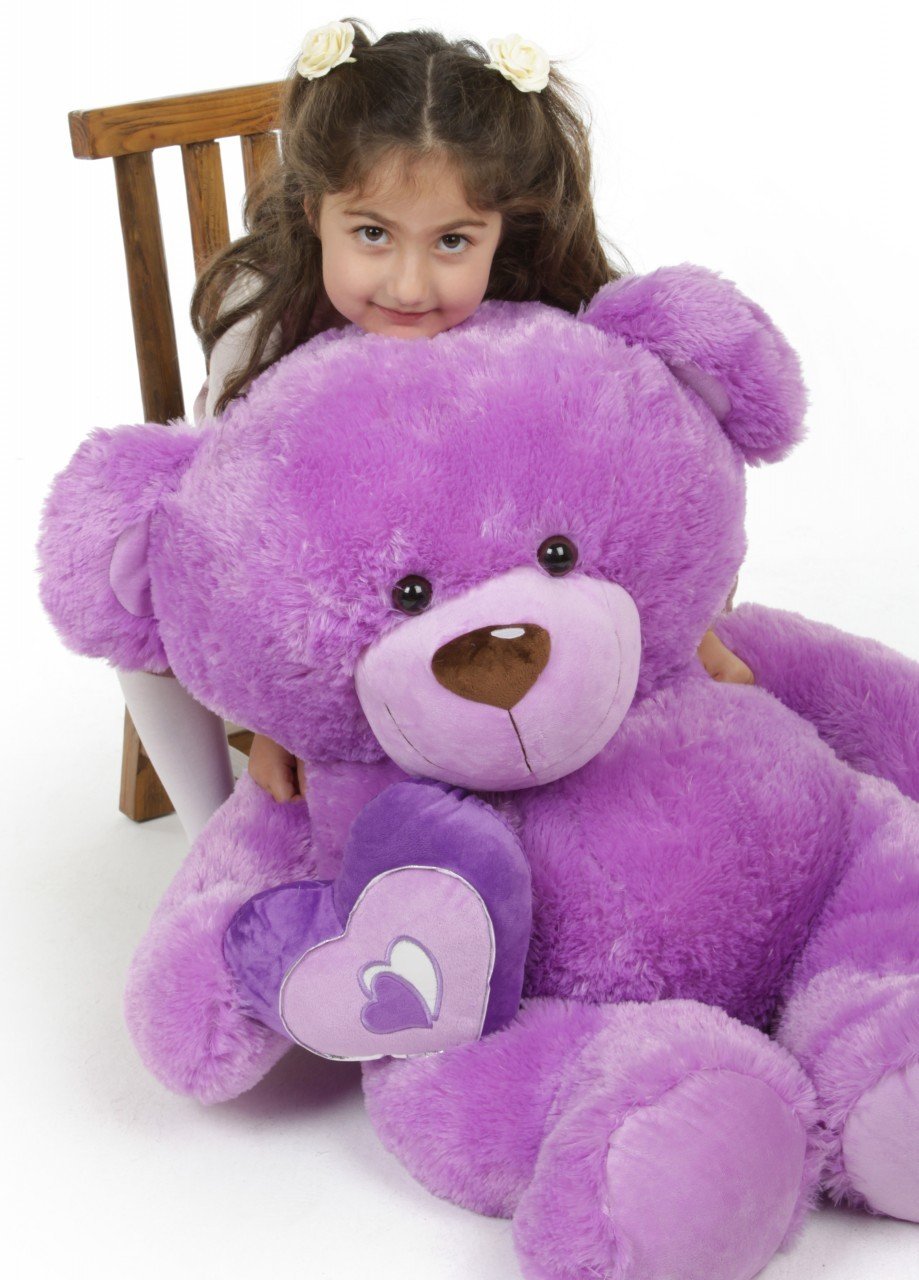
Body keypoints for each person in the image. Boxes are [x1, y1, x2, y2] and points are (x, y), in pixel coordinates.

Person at [118, 20, 753, 842]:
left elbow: (638, 480)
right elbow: (238, 538)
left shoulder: (540, 311)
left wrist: (690, 628)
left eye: (452, 241)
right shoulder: (260, 312)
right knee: (134, 571)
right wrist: (278, 712)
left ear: (501, 231)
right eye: (371, 233)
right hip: (328, 579)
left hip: (484, 582)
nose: (409, 285)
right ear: (314, 212)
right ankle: (211, 835)